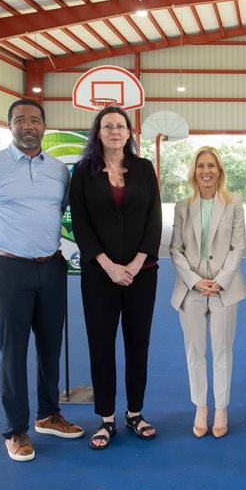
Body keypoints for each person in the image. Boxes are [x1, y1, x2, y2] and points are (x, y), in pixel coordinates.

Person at [0, 98, 84, 462]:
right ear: (10, 125)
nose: (27, 125)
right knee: (14, 351)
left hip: (51, 267)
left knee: (51, 346)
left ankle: (48, 415)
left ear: (44, 126)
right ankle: (15, 430)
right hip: (8, 270)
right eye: (19, 120)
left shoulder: (60, 171)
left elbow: (58, 212)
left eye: (34, 120)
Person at [69, 106, 162, 448]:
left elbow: (154, 218)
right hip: (99, 275)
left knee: (138, 345)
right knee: (102, 346)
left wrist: (137, 263)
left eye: (120, 126)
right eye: (107, 125)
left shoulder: (143, 168)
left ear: (128, 133)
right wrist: (108, 265)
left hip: (142, 274)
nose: (114, 131)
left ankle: (135, 413)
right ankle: (106, 419)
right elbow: (80, 222)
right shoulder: (82, 171)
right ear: (98, 132)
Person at [170, 147, 246, 439]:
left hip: (224, 288)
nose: (206, 170)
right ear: (194, 171)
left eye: (212, 165)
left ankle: (222, 407)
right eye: (201, 165)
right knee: (195, 351)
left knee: (222, 351)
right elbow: (175, 249)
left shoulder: (234, 203)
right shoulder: (182, 205)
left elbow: (238, 246)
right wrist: (194, 280)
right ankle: (201, 406)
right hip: (190, 289)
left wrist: (220, 280)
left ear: (219, 171)